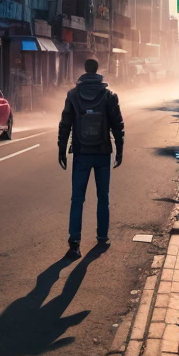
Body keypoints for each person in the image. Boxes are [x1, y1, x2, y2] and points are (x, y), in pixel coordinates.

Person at [58, 57, 124, 259]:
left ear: (84, 71)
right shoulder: (109, 96)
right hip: (103, 153)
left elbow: (65, 125)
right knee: (102, 197)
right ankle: (102, 237)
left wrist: (61, 150)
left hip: (81, 153)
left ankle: (74, 242)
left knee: (77, 198)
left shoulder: (73, 95)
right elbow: (118, 125)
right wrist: (119, 150)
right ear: (98, 71)